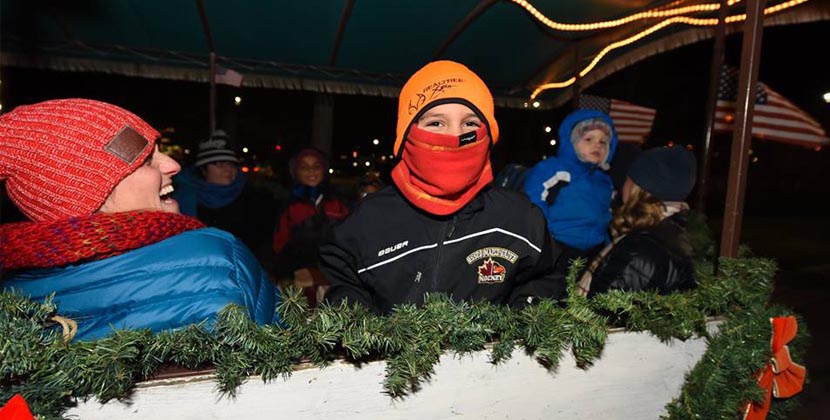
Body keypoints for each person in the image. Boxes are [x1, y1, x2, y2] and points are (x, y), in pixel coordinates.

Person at [0, 99, 281, 341]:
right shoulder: (219, 258)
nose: (173, 165)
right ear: (86, 193)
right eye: (147, 161)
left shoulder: (12, 301)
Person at [321, 60, 564, 314]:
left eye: (470, 124)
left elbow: (548, 277)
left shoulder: (519, 218)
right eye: (436, 123)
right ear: (406, 135)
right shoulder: (368, 223)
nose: (453, 138)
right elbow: (344, 287)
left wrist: (522, 316)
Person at [576, 146, 698, 297]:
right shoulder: (674, 233)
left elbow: (603, 313)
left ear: (637, 187)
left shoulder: (639, 250)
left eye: (627, 179)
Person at [522, 109, 618, 275]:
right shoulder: (553, 169)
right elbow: (532, 204)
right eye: (589, 139)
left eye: (603, 142)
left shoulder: (604, 181)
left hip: (593, 252)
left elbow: (606, 217)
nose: (597, 145)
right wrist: (545, 240)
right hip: (557, 246)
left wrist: (608, 247)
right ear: (571, 142)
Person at [172, 130, 276, 261]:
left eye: (231, 163)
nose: (228, 169)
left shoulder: (255, 197)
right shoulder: (182, 199)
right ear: (203, 170)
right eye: (219, 164)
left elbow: (265, 245)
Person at [272, 148, 350, 307]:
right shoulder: (289, 206)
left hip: (334, 275)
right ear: (295, 171)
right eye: (304, 167)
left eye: (316, 166)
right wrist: (290, 273)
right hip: (300, 279)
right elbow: (278, 246)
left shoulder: (338, 202)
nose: (311, 171)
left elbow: (351, 239)